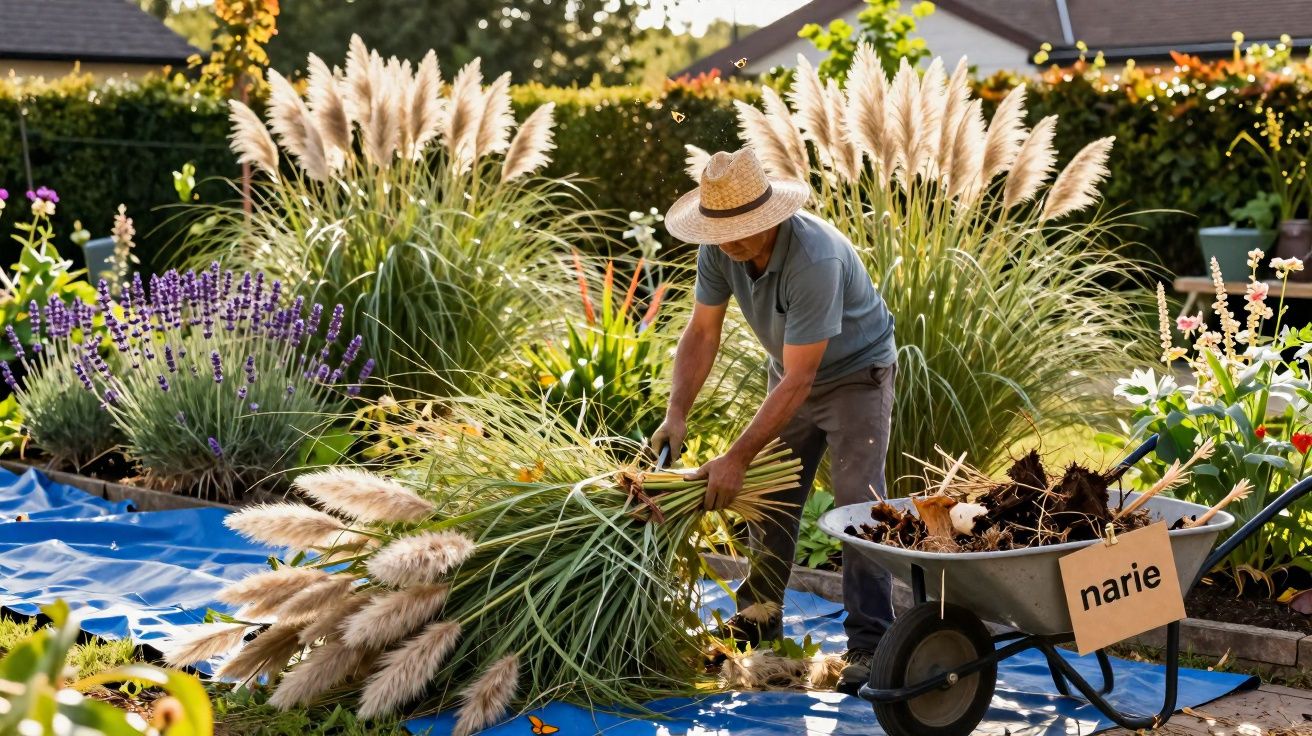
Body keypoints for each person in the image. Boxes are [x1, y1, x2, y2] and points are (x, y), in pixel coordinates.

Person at [651, 147, 897, 695]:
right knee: (773, 502)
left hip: (856, 376)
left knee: (859, 509)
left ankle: (871, 640)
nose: (731, 241)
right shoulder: (720, 248)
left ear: (771, 215)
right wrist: (677, 412)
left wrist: (736, 456)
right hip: (792, 374)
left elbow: (802, 380)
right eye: (721, 231)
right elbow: (702, 332)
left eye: (743, 228)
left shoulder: (815, 258)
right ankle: (759, 622)